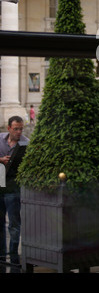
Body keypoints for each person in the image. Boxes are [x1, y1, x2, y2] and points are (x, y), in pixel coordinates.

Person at [0, 116, 29, 271]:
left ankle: (13, 255)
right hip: (0, 184)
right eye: (16, 128)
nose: (19, 131)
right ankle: (1, 255)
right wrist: (1, 160)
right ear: (9, 128)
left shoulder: (26, 143)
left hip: (13, 187)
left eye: (20, 128)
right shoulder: (0, 139)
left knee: (14, 224)